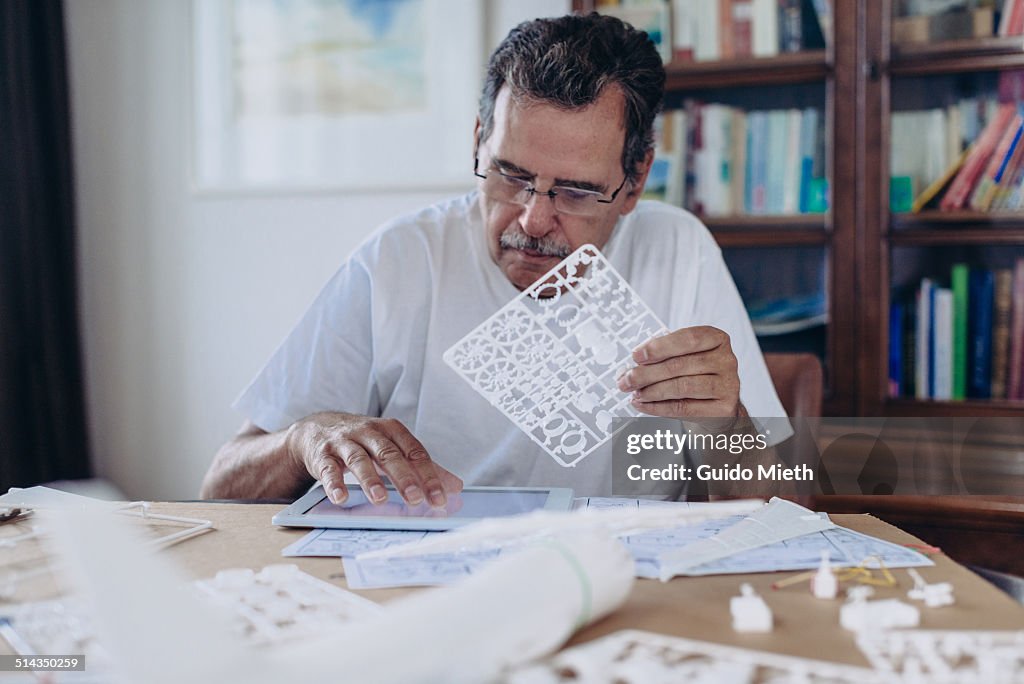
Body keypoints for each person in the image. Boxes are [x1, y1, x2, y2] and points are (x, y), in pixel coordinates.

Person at [200, 13, 790, 506]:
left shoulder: (679, 250)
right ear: (478, 140)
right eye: (511, 174)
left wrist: (728, 427)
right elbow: (220, 488)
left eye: (576, 191)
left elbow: (789, 508)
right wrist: (300, 441)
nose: (533, 219)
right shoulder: (399, 260)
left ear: (635, 182)